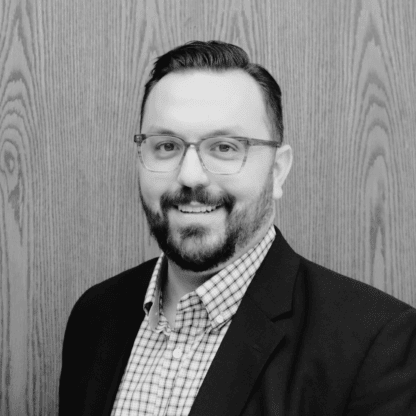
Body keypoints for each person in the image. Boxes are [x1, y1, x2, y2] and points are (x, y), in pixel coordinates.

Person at [59, 41, 416, 416]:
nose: (190, 176)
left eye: (225, 147)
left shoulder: (376, 344)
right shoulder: (95, 317)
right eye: (166, 146)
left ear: (278, 170)